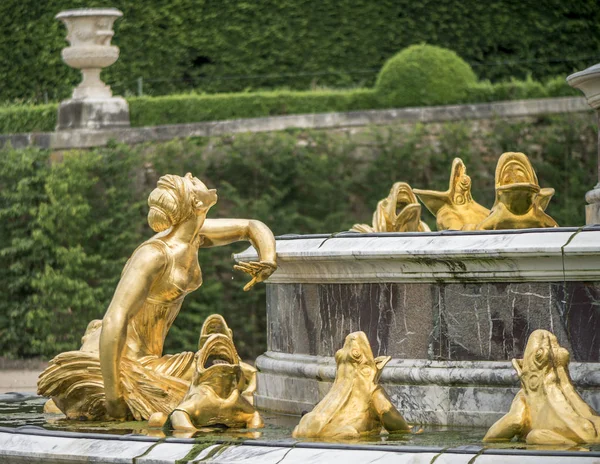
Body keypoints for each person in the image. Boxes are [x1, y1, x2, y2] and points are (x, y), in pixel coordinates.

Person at [38, 173, 277, 421]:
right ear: (197, 204)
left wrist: (268, 260)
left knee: (238, 378)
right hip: (124, 363)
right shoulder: (154, 255)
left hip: (150, 359)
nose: (190, 175)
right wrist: (114, 399)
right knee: (232, 380)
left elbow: (251, 226)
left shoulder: (195, 236)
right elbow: (114, 319)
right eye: (191, 182)